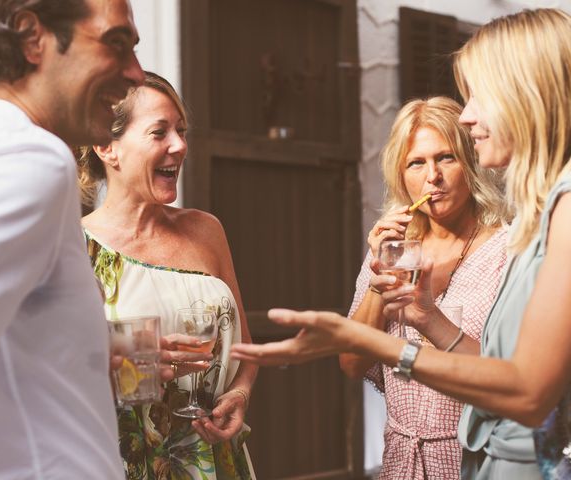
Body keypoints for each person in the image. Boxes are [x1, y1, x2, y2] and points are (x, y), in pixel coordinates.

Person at [232, 8, 571, 480]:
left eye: (477, 96)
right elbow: (362, 365)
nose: (469, 115)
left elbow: (530, 392)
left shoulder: (544, 221)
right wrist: (415, 314)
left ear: (526, 94)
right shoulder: (399, 249)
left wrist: (372, 341)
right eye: (416, 164)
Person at [0, 0, 145, 478]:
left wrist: (88, 347)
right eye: (116, 43)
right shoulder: (31, 158)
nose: (136, 72)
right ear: (32, 38)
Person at [77, 71, 258, 479]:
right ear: (107, 146)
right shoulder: (73, 247)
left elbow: (245, 348)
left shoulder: (206, 230)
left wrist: (240, 393)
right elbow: (54, 375)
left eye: (181, 131)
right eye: (160, 132)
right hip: (123, 461)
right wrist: (137, 366)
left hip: (214, 458)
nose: (180, 145)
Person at [340, 96, 508, 479]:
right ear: (402, 175)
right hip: (402, 464)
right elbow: (350, 363)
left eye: (445, 158)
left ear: (471, 162)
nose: (432, 176)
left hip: (476, 460)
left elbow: (515, 376)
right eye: (416, 163)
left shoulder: (507, 250)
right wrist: (378, 281)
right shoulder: (393, 250)